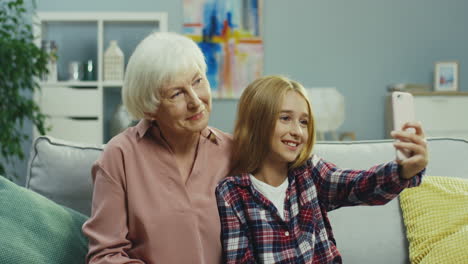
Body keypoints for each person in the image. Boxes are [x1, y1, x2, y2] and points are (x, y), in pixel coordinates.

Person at [215, 75, 428, 264]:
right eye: (285, 118)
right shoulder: (232, 193)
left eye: (304, 122)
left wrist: (403, 171)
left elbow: (359, 185)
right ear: (256, 122)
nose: (297, 131)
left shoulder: (309, 172)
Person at [82, 32, 232, 263]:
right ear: (150, 108)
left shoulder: (235, 152)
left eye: (198, 81)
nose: (195, 101)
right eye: (177, 93)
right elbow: (105, 255)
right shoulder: (120, 156)